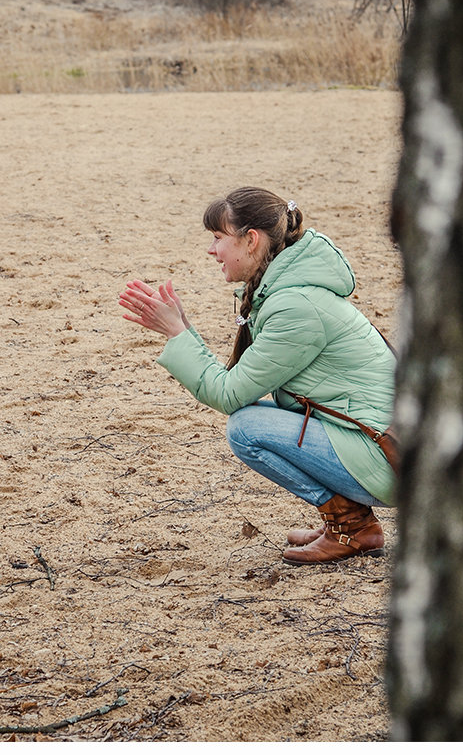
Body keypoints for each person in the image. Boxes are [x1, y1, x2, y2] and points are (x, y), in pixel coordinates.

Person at [119, 186, 396, 565]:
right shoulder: (289, 290)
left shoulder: (294, 307)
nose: (211, 250)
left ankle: (352, 525)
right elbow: (240, 381)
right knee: (256, 419)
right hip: (378, 445)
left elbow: (229, 394)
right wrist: (183, 328)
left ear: (251, 240)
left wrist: (177, 335)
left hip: (387, 460)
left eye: (218, 238)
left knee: (246, 427)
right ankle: (349, 521)